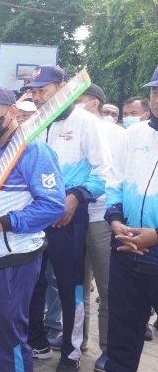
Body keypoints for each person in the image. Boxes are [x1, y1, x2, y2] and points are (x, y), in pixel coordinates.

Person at [0, 85, 66, 372]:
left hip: (14, 257)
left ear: (13, 112)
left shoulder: (33, 151)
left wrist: (4, 222)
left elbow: (53, 205)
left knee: (7, 337)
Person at [23, 65, 111, 372]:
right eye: (33, 91)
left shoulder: (85, 122)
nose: (36, 97)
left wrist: (74, 198)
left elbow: (104, 173)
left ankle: (72, 353)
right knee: (32, 281)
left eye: (42, 91)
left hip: (69, 217)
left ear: (63, 87)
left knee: (70, 284)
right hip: (36, 216)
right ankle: (36, 341)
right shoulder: (34, 123)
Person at [103, 66, 158, 372]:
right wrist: (114, 220)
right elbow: (116, 182)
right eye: (154, 90)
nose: (157, 97)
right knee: (122, 332)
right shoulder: (135, 134)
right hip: (125, 248)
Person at [72, 83, 127, 370]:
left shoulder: (117, 134)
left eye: (78, 100)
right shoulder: (70, 128)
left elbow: (120, 176)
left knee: (107, 288)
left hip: (103, 219)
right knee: (77, 284)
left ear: (93, 103)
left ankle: (109, 347)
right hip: (74, 217)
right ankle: (77, 339)